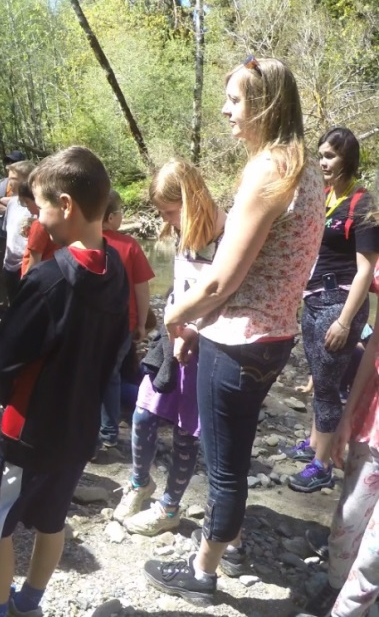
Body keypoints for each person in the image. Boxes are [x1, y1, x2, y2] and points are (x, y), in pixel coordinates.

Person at [143, 56, 323, 604]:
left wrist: (173, 314)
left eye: (236, 100)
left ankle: (203, 572)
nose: (226, 110)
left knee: (223, 467)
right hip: (274, 339)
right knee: (235, 454)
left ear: (266, 104)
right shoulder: (308, 169)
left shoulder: (268, 170)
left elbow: (220, 282)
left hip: (236, 340)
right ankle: (235, 541)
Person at [0, 147, 128, 617]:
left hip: (31, 430)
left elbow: (11, 352)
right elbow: (117, 349)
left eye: (38, 207)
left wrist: (5, 398)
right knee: (52, 518)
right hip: (79, 427)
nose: (34, 217)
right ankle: (30, 602)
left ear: (66, 206)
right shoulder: (116, 269)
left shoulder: (47, 279)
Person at [113, 159, 225, 536]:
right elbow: (181, 285)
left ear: (191, 201)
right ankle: (138, 484)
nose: (167, 219)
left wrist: (192, 328)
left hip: (204, 343)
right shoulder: (184, 232)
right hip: (171, 337)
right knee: (144, 413)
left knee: (185, 430)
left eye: (169, 212)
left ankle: (170, 506)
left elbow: (223, 293)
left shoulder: (226, 233)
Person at [287, 127, 378, 492]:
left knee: (327, 390)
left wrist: (344, 320)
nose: (323, 162)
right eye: (320, 155)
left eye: (330, 156)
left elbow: (366, 269)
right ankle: (314, 445)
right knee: (321, 379)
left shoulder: (363, 204)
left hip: (339, 303)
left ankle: (322, 465)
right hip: (313, 299)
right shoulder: (324, 196)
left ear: (348, 160)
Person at [299, 267, 379, 616]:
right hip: (374, 422)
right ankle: (333, 588)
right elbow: (375, 344)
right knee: (347, 522)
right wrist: (348, 416)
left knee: (374, 555)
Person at [98, 190, 155, 448]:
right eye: (121, 213)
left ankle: (95, 427)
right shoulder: (129, 246)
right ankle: (109, 432)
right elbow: (142, 289)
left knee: (97, 373)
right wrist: (142, 323)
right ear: (110, 217)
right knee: (110, 376)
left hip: (93, 323)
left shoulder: (85, 241)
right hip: (124, 324)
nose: (122, 217)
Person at [0, 150, 27, 319]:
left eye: (12, 162)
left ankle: (18, 307)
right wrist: (11, 209)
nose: (8, 165)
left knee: (20, 274)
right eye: (7, 162)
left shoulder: (28, 188)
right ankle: (1, 306)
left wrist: (7, 206)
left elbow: (25, 207)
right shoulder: (0, 184)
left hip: (20, 240)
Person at [0, 161, 35, 300]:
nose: (9, 184)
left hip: (27, 266)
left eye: (13, 180)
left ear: (27, 180)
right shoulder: (12, 204)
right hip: (9, 266)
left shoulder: (36, 206)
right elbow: (8, 234)